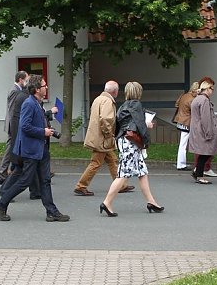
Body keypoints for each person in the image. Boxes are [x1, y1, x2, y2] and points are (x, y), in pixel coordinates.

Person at [0, 75, 69, 222]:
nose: (46, 87)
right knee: (25, 181)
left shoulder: (37, 103)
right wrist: (43, 132)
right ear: (37, 89)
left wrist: (47, 129)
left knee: (45, 180)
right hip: (31, 150)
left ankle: (51, 212)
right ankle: (1, 204)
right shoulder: (29, 103)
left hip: (41, 148)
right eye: (44, 85)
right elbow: (25, 126)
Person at [98, 82, 163, 217]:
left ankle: (151, 201)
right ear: (138, 92)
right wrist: (146, 135)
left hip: (124, 140)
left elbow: (121, 125)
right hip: (131, 143)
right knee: (124, 174)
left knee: (142, 171)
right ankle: (107, 202)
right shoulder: (136, 105)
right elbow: (139, 124)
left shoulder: (123, 106)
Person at [73, 80, 134, 196]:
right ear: (115, 91)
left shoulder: (98, 99)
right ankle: (81, 186)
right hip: (102, 139)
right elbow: (106, 119)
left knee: (112, 160)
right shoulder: (108, 101)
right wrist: (108, 134)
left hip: (97, 137)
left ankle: (121, 185)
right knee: (96, 162)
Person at [188, 79, 217, 185]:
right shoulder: (204, 100)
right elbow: (205, 118)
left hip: (196, 129)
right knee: (206, 153)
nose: (212, 91)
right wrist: (209, 133)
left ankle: (197, 172)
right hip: (202, 131)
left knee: (204, 153)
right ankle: (199, 175)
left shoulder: (197, 99)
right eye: (212, 89)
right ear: (207, 89)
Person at [0, 71, 29, 185]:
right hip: (13, 125)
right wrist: (14, 126)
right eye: (26, 80)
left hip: (14, 124)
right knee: (10, 148)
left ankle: (10, 170)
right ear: (20, 79)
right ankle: (3, 173)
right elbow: (12, 109)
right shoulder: (14, 91)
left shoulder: (17, 90)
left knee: (13, 148)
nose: (27, 82)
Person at [172, 82, 198, 171]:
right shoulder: (192, 99)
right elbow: (196, 111)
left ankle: (180, 163)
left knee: (182, 144)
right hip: (187, 122)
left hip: (180, 120)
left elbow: (177, 104)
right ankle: (181, 164)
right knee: (183, 144)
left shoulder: (184, 95)